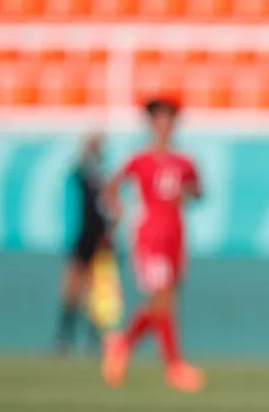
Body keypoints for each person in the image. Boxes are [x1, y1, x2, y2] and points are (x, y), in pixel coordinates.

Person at [101, 97, 205, 393]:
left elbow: (198, 191)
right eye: (159, 120)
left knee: (164, 302)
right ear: (151, 124)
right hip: (150, 236)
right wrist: (117, 210)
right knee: (163, 300)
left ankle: (121, 345)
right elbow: (112, 186)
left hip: (175, 236)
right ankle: (173, 366)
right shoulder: (139, 160)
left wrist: (191, 193)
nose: (164, 126)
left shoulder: (184, 162)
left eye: (169, 120)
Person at [55, 132, 111, 354]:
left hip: (99, 239)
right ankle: (65, 336)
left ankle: (92, 338)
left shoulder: (104, 175)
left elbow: (110, 208)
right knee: (72, 287)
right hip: (81, 236)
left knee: (96, 290)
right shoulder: (81, 172)